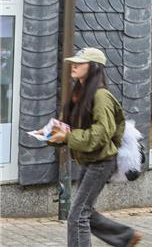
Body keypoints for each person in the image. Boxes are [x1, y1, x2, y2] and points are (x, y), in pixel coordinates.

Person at [49, 47, 143, 247]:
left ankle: (125, 236)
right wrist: (52, 135)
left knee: (77, 215)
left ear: (93, 67)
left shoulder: (101, 96)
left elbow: (101, 134)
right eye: (73, 62)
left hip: (102, 162)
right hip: (90, 160)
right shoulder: (79, 94)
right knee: (84, 211)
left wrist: (68, 136)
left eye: (79, 63)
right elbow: (68, 128)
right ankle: (125, 237)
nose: (73, 65)